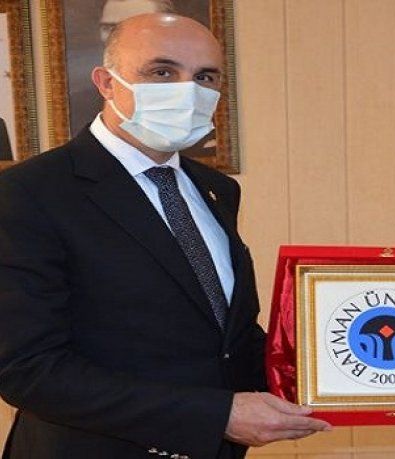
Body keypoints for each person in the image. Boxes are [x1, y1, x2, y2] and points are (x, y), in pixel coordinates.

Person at [0, 13, 330, 459]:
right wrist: (216, 416)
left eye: (205, 77)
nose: (188, 90)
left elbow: (226, 333)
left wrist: (352, 380)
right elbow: (27, 368)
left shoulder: (216, 189)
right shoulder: (28, 192)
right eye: (162, 72)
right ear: (106, 82)